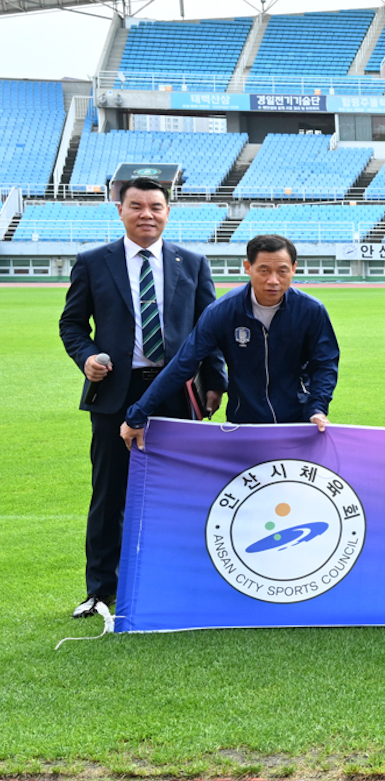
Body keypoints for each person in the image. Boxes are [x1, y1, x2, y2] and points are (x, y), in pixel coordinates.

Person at [57, 176, 223, 618]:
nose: (147, 214)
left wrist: (214, 382)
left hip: (175, 391)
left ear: (168, 211)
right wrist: (87, 356)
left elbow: (209, 330)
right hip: (116, 392)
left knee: (183, 491)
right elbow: (72, 325)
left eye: (155, 206)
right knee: (109, 493)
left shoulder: (193, 262)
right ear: (120, 210)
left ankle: (184, 583)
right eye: (137, 206)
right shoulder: (93, 262)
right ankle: (99, 592)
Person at [123, 234, 339, 447]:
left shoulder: (311, 310)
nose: (273, 280)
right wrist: (138, 413)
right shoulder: (223, 312)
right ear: (248, 267)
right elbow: (183, 363)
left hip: (298, 421)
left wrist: (316, 409)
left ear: (293, 268)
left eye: (282, 271)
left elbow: (325, 364)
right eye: (264, 270)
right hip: (244, 422)